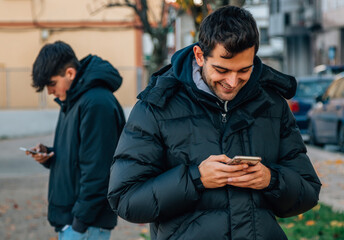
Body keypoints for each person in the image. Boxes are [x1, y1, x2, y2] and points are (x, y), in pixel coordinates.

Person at [107, 6, 321, 240]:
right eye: (222, 69)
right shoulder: (156, 108)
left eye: (244, 70)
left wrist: (271, 180)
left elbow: (308, 191)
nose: (232, 81)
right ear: (199, 55)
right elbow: (125, 199)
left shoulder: (272, 104)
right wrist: (195, 179)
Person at [27, 41, 125, 240]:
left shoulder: (96, 103)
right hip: (74, 223)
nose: (50, 92)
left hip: (85, 226)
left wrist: (79, 223)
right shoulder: (73, 101)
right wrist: (50, 156)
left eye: (52, 84)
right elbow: (79, 157)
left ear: (70, 73)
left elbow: (99, 171)